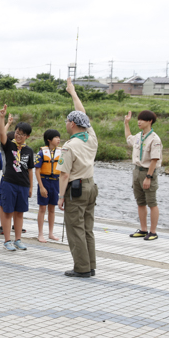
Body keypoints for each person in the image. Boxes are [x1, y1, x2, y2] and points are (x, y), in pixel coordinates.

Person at [57, 77, 99, 278]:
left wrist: (60, 197)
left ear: (72, 124)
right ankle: (90, 265)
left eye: (67, 121)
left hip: (76, 189)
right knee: (87, 228)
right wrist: (72, 93)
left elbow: (64, 174)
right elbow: (83, 114)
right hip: (91, 186)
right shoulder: (91, 137)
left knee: (75, 229)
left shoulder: (69, 146)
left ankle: (81, 268)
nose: (65, 124)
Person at [0, 105, 34, 251]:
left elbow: (30, 170)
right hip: (9, 183)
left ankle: (18, 239)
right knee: (7, 211)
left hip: (23, 185)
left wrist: (31, 187)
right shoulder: (9, 146)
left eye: (22, 134)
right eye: (17, 133)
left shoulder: (29, 150)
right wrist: (2, 118)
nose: (18, 136)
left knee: (19, 212)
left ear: (27, 137)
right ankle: (7, 241)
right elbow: (1, 134)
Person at [124, 110, 162, 241]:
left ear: (150, 121)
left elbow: (154, 159)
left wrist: (149, 177)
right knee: (140, 202)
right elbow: (129, 139)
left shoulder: (155, 139)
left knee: (152, 202)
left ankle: (153, 232)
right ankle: (143, 229)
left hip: (147, 172)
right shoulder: (139, 136)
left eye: (142, 120)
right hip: (136, 171)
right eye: (138, 119)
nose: (139, 122)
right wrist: (126, 123)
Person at [34, 129, 61, 243]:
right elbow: (37, 170)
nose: (59, 139)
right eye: (56, 137)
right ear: (49, 140)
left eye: (59, 137)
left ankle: (50, 233)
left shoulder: (61, 152)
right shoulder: (41, 153)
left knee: (52, 208)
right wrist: (41, 187)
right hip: (44, 181)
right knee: (42, 208)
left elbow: (64, 170)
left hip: (55, 182)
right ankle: (40, 233)